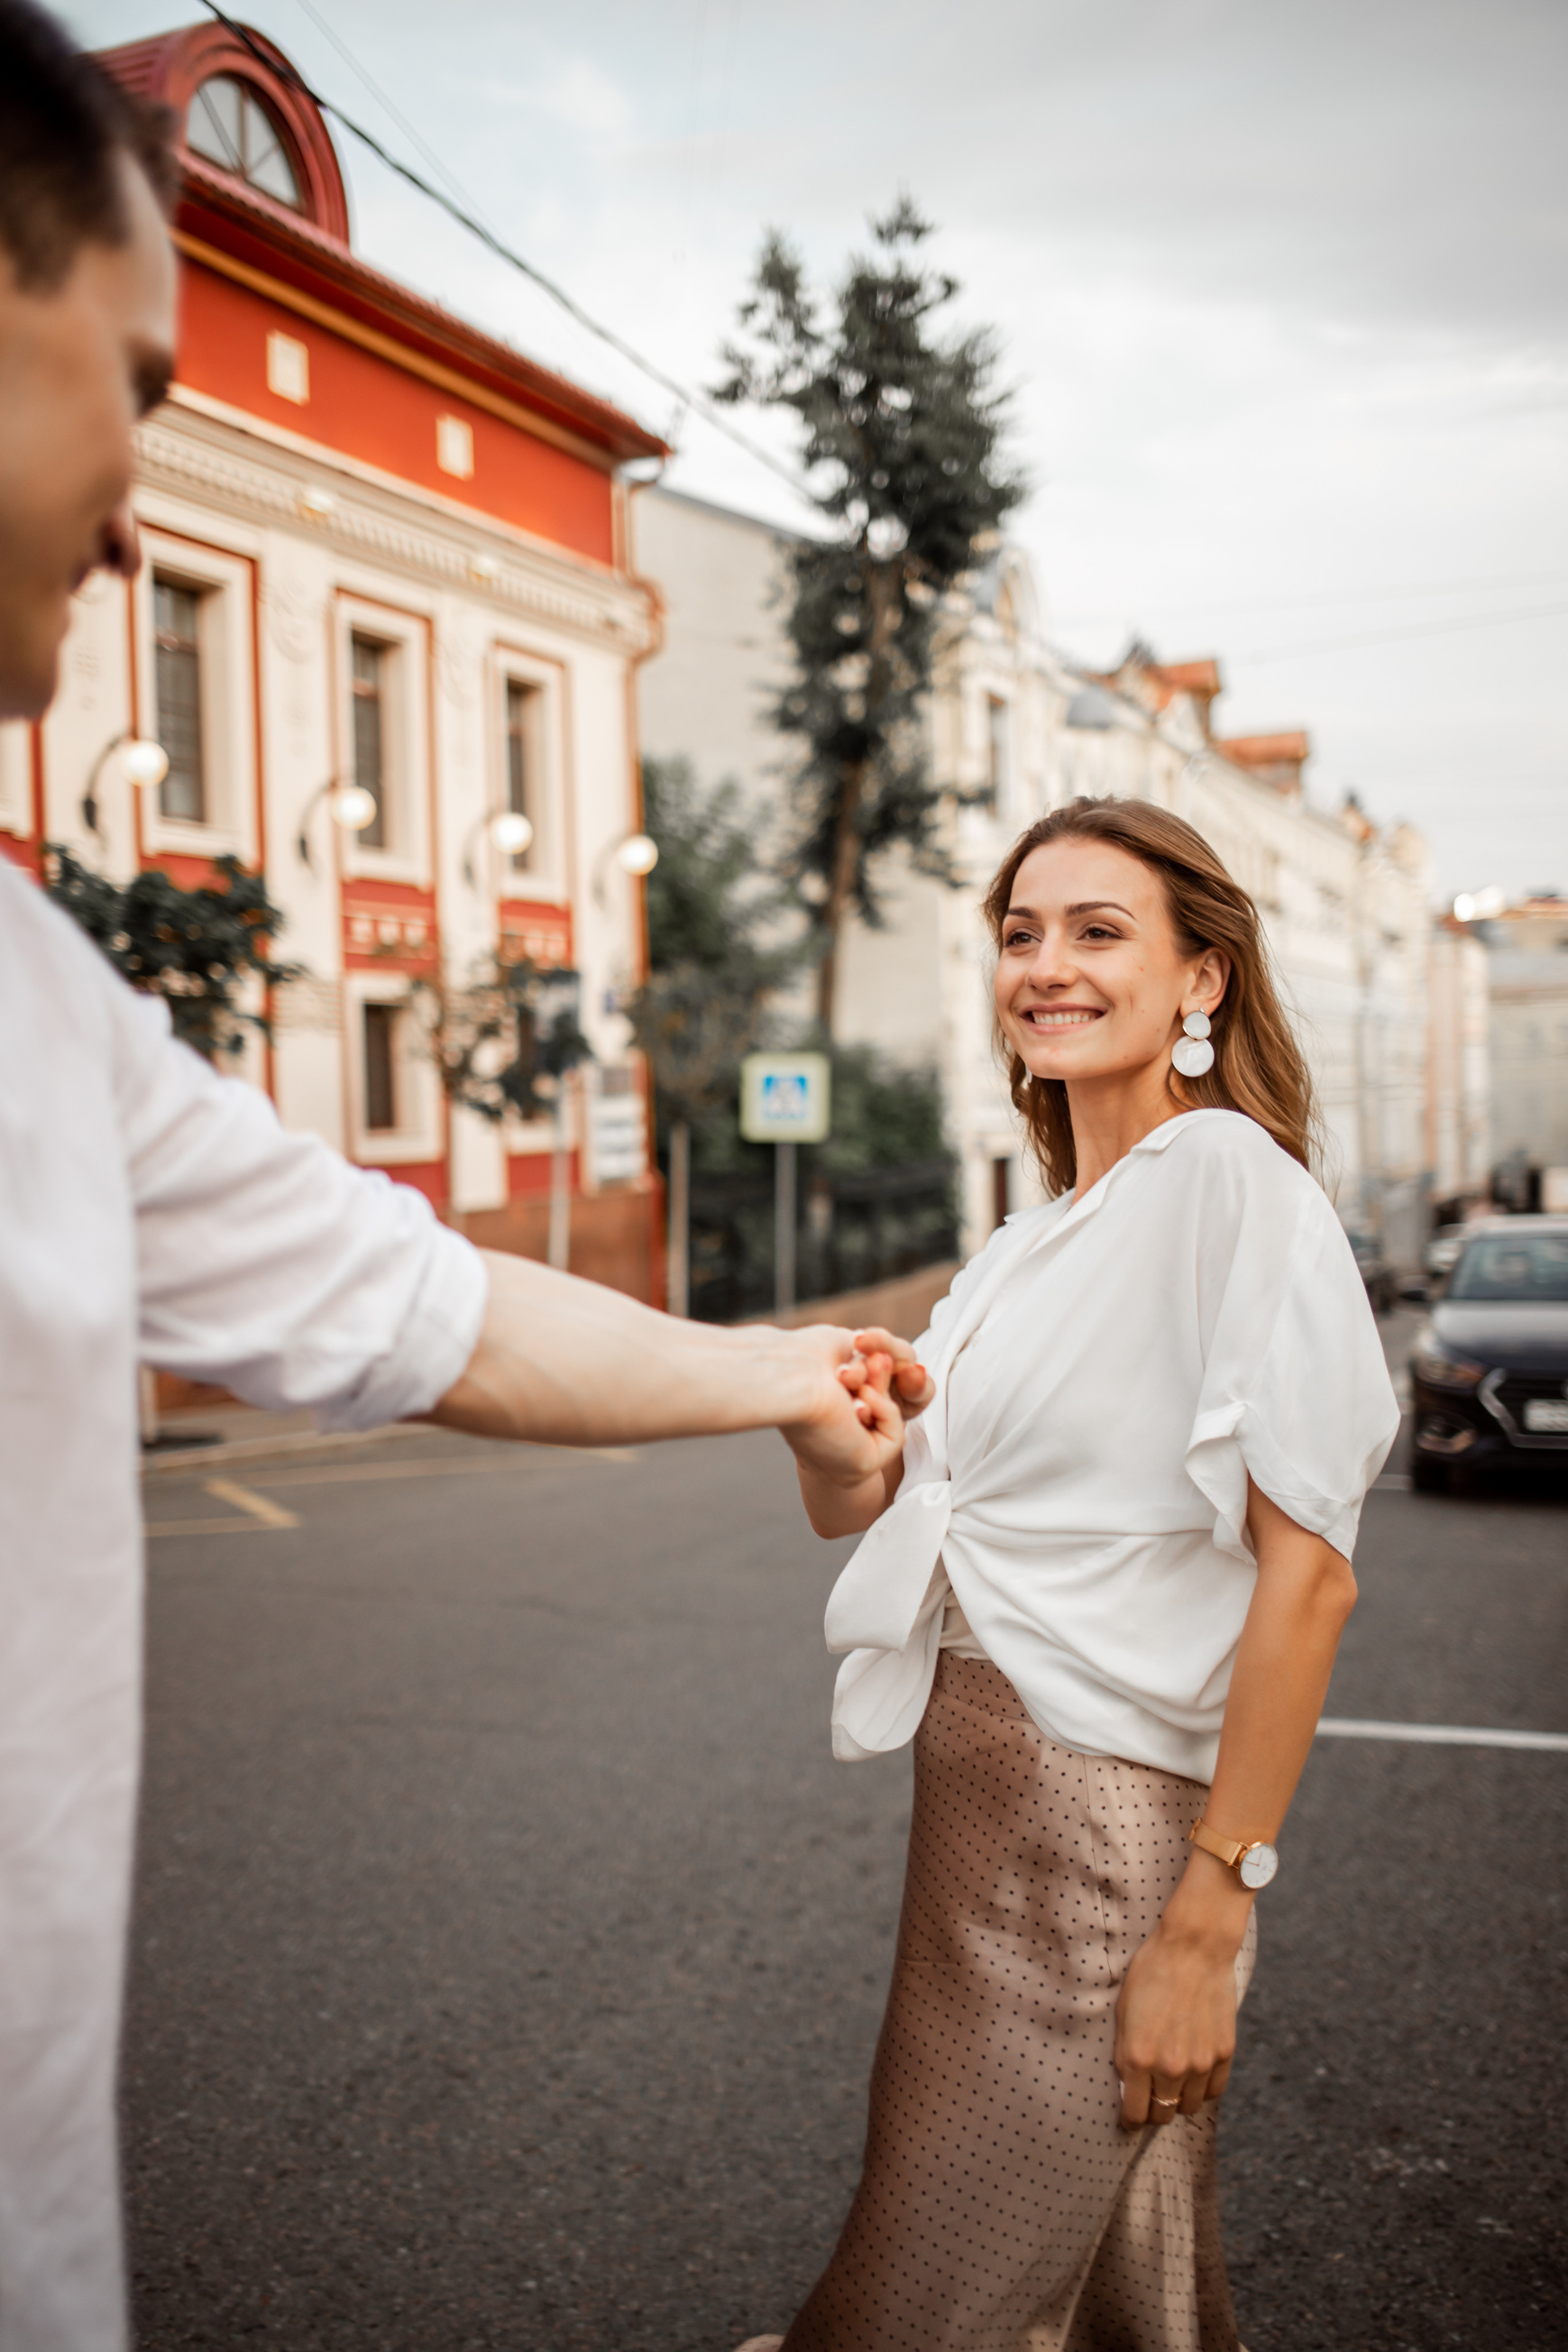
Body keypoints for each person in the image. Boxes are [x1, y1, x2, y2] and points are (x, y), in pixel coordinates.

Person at [0, 8, 927, 2346]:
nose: (134, 519)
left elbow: (439, 1309)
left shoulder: (41, 999)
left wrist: (792, 1369)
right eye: (129, 385)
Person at [736, 797, 1400, 2352]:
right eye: (1021, 932)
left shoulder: (1228, 1183)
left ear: (1199, 980)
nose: (1045, 965)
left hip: (1098, 1834)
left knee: (926, 2294)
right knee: (1123, 2292)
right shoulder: (1027, 1244)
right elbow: (868, 1510)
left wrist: (1206, 1921)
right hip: (975, 1818)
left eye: (1098, 932)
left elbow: (1308, 1579)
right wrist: (824, 1423)